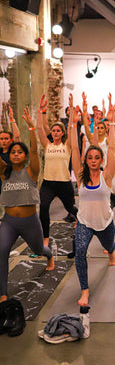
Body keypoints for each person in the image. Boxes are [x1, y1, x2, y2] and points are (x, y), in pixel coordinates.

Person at [0, 107, 54, 302]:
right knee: (2, 250)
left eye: (19, 152)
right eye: (13, 152)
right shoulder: (4, 171)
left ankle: (49, 255)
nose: (15, 154)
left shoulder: (31, 171)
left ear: (24, 156)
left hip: (30, 221)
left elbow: (33, 149)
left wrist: (32, 128)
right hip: (9, 222)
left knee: (39, 250)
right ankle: (3, 294)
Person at [70, 100, 115, 306]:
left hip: (106, 222)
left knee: (109, 244)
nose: (94, 160)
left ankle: (112, 252)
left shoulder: (107, 175)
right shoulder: (81, 177)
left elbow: (113, 152)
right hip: (84, 223)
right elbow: (73, 147)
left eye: (98, 157)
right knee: (80, 251)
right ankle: (85, 290)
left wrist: (113, 124)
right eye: (90, 157)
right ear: (86, 160)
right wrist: (73, 124)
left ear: (101, 159)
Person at [36, 94, 78, 246]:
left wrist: (71, 108)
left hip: (64, 183)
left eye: (58, 131)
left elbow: (72, 126)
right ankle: (45, 237)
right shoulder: (47, 145)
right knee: (44, 206)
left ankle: (82, 220)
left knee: (70, 208)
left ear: (62, 133)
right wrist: (41, 111)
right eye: (53, 130)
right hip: (48, 183)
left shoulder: (66, 146)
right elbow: (39, 127)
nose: (55, 132)